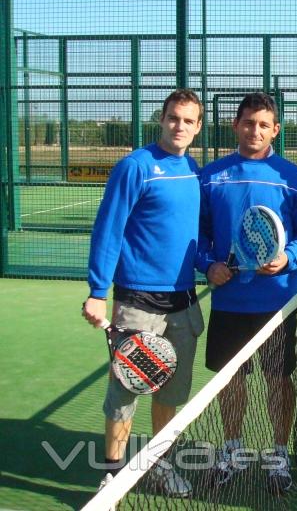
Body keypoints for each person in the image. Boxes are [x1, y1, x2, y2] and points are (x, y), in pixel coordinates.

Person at [196, 92, 297, 492]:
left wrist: (290, 258)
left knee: (277, 380)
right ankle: (232, 450)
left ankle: (278, 456)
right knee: (230, 381)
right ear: (235, 125)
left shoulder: (294, 178)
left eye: (264, 124)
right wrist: (208, 265)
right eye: (248, 122)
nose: (255, 130)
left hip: (278, 303)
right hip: (229, 301)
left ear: (275, 130)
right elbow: (195, 234)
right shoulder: (211, 176)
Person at [82, 88, 205, 498]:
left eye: (189, 120)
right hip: (137, 303)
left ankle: (160, 465)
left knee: (171, 393)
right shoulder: (136, 167)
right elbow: (109, 228)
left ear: (199, 127)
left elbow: (192, 236)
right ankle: (114, 474)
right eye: (174, 118)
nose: (180, 126)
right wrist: (98, 290)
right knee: (124, 393)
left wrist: (209, 265)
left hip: (183, 303)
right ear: (162, 119)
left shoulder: (192, 170)